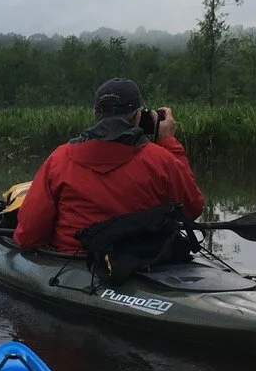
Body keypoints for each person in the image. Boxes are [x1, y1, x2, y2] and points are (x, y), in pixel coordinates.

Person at [12, 78, 205, 253]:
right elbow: (191, 209)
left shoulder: (59, 159)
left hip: (72, 263)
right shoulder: (161, 160)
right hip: (142, 262)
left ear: (96, 115)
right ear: (138, 116)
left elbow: (28, 236)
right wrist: (168, 140)